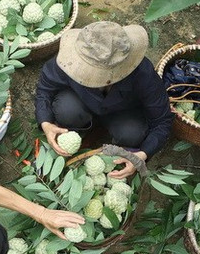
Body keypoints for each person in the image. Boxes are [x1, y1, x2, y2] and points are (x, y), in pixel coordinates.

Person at [35, 21, 173, 178]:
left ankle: (114, 135)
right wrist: (46, 123)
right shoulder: (71, 61)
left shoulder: (143, 74)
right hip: (81, 103)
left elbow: (162, 121)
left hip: (123, 113)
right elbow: (45, 89)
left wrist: (143, 154)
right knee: (66, 109)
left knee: (132, 134)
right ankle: (82, 128)